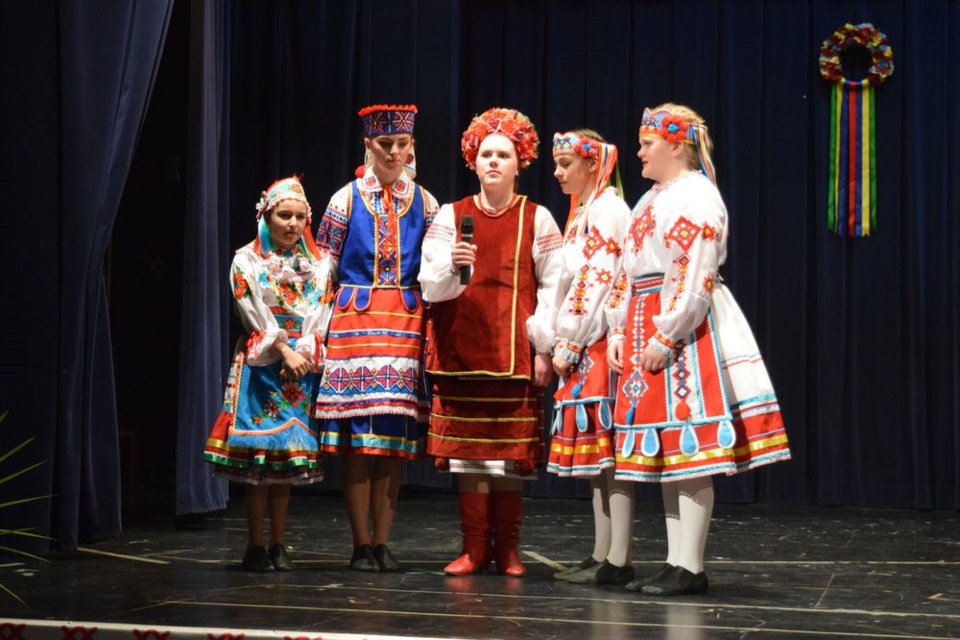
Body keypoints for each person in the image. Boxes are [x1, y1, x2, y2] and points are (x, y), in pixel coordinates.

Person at [605, 103, 791, 595]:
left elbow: (694, 270)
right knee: (668, 447)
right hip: (646, 318)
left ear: (676, 145)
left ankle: (690, 564)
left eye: (647, 143)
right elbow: (627, 271)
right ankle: (675, 560)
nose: (640, 151)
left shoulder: (697, 197)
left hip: (688, 328)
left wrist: (667, 334)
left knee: (690, 443)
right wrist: (620, 329)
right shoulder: (648, 201)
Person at [419, 107, 564, 577]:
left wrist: (544, 348)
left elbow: (554, 287)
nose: (494, 162)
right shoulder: (449, 215)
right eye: (486, 154)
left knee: (508, 456)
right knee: (468, 458)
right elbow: (429, 286)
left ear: (520, 161)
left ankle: (510, 550)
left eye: (504, 154)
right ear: (473, 161)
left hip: (512, 353)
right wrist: (450, 266)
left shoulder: (538, 219)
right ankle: (474, 548)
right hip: (460, 351)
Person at [313, 104, 439, 572]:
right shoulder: (344, 200)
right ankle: (360, 542)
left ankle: (383, 541)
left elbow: (436, 268)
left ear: (412, 147)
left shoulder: (426, 202)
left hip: (405, 323)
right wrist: (315, 331)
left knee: (392, 439)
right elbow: (321, 269)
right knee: (357, 441)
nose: (394, 153)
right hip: (353, 323)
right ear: (368, 145)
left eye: (402, 145)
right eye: (385, 145)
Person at [204, 176, 325, 572]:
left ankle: (279, 543)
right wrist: (283, 349)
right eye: (283, 215)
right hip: (264, 359)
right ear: (266, 216)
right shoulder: (247, 260)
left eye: (299, 217)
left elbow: (320, 310)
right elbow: (250, 306)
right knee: (260, 460)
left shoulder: (319, 264)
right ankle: (254, 543)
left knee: (286, 461)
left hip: (299, 365)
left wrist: (303, 349)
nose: (292, 224)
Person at [546, 130, 636, 586]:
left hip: (599, 339)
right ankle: (603, 551)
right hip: (587, 342)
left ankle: (618, 557)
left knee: (610, 456)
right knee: (599, 459)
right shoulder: (584, 211)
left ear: (591, 163)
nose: (559, 172)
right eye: (557, 164)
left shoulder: (608, 209)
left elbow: (600, 279)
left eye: (566, 164)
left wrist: (572, 338)